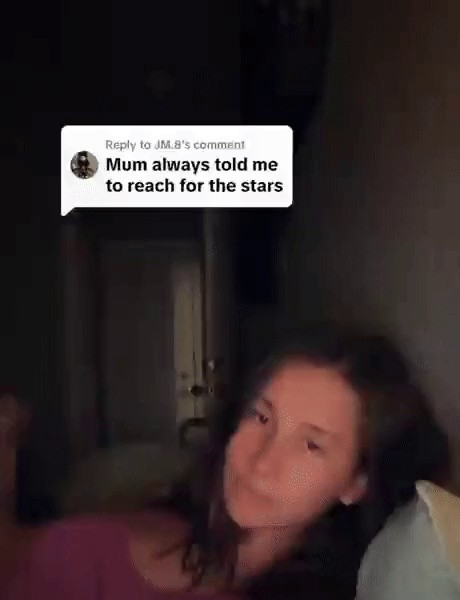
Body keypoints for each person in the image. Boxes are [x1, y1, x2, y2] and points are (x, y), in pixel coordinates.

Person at [1, 322, 451, 599]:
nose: (261, 459)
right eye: (261, 416)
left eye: (311, 444)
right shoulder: (163, 510)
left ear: (355, 483)